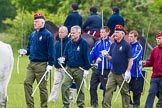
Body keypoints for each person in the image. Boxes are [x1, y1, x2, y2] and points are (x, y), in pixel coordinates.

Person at [18, 13, 55, 108]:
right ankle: (30, 106)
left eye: (36, 21)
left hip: (42, 65)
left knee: (42, 88)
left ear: (42, 23)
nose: (34, 23)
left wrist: (50, 64)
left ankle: (44, 106)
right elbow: (29, 48)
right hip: (31, 64)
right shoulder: (33, 34)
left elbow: (52, 51)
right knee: (26, 83)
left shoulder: (48, 35)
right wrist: (25, 51)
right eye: (34, 21)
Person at [58, 25, 91, 108]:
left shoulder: (84, 44)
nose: (71, 34)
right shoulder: (69, 43)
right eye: (71, 33)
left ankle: (80, 105)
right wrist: (63, 59)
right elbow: (65, 54)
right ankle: (66, 104)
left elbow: (87, 57)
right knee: (65, 85)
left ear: (79, 33)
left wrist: (86, 69)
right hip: (69, 68)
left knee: (80, 88)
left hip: (79, 68)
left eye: (73, 33)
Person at [102, 25, 133, 108]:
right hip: (113, 72)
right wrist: (106, 56)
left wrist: (128, 71)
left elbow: (130, 59)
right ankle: (106, 106)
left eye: (117, 32)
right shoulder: (113, 45)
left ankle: (126, 106)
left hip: (122, 73)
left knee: (125, 92)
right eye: (115, 32)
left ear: (122, 34)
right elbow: (111, 58)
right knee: (108, 89)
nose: (114, 34)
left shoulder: (127, 45)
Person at [89, 26, 112, 108]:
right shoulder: (97, 43)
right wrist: (87, 61)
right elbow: (92, 53)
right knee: (92, 86)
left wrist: (101, 58)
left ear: (108, 32)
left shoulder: (110, 43)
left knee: (106, 88)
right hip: (97, 69)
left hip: (105, 69)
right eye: (101, 32)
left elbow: (107, 53)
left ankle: (104, 105)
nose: (101, 34)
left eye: (103, 32)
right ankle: (94, 104)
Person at [48, 26, 70, 102]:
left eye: (62, 32)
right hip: (57, 68)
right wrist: (52, 62)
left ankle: (70, 99)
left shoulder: (69, 43)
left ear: (66, 33)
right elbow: (54, 54)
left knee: (67, 84)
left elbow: (70, 55)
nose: (60, 34)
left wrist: (65, 59)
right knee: (56, 83)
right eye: (59, 32)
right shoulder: (57, 44)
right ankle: (52, 99)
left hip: (66, 67)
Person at [141, 32, 162, 108]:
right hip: (155, 76)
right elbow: (151, 62)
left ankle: (159, 105)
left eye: (159, 39)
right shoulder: (154, 50)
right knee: (151, 92)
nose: (157, 40)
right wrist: (144, 63)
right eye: (157, 39)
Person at [128, 30, 143, 108]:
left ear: (136, 37)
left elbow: (136, 57)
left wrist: (129, 59)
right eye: (129, 36)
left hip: (135, 72)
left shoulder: (139, 46)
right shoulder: (128, 46)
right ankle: (129, 103)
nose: (130, 38)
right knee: (125, 89)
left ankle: (136, 104)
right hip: (127, 71)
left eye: (131, 36)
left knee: (136, 90)